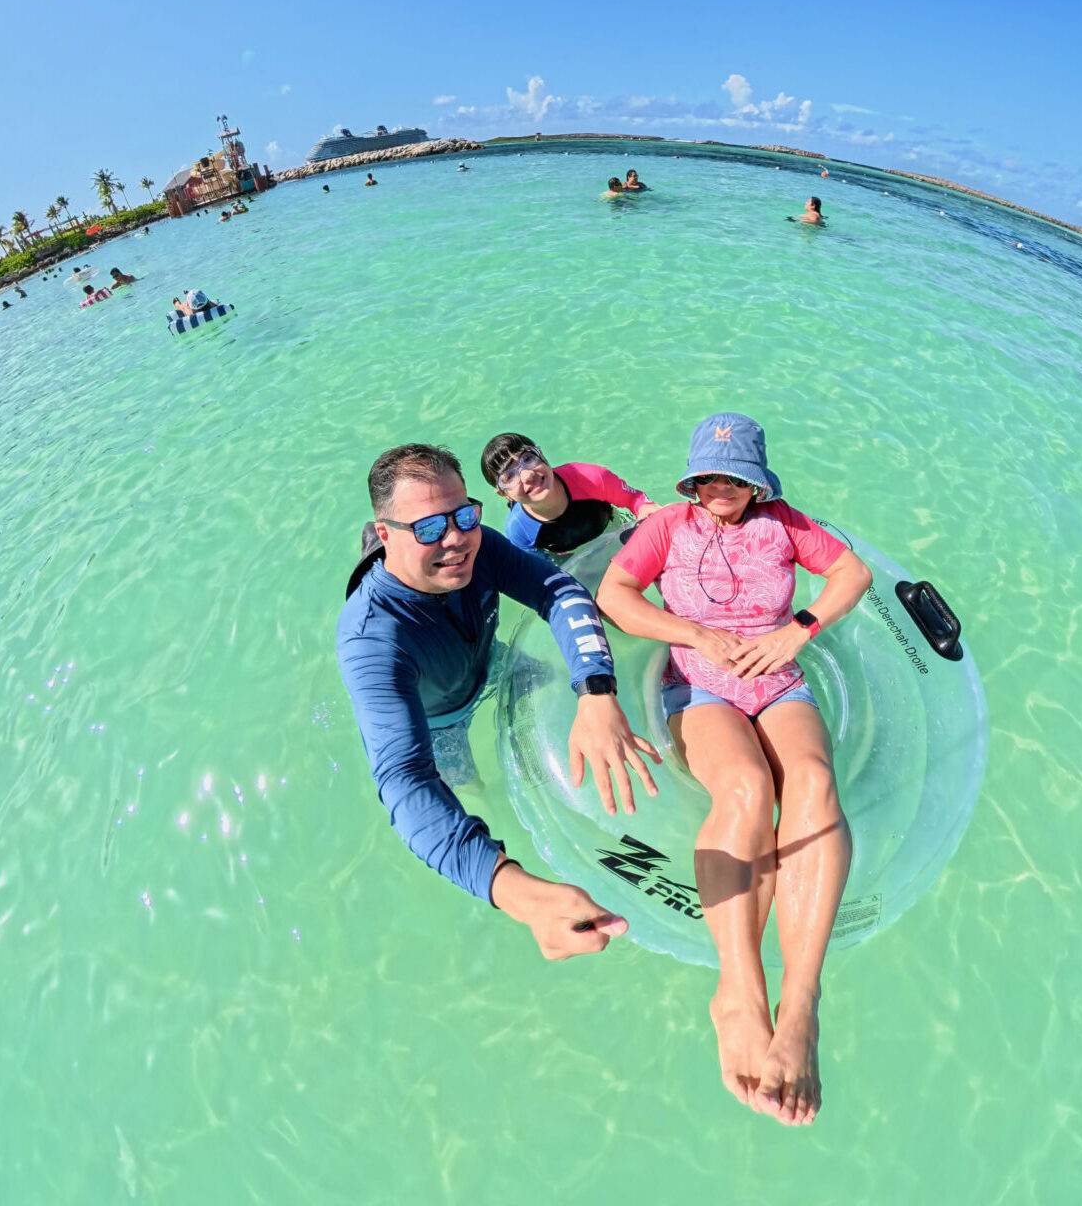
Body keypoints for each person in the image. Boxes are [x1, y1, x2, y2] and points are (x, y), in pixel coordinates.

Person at [594, 414, 873, 1127]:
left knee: (810, 782)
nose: (721, 488)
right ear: (690, 480)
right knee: (747, 788)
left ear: (757, 482)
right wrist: (691, 633)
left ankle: (801, 1005)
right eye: (708, 476)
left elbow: (852, 572)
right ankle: (740, 992)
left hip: (778, 681)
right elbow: (615, 598)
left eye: (736, 477)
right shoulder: (667, 528)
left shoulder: (784, 523)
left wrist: (798, 631)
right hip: (699, 684)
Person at [336, 443, 660, 960]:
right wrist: (518, 892)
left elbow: (556, 588)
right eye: (426, 528)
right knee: (466, 782)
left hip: (492, 660)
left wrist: (596, 691)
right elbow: (404, 779)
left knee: (560, 683)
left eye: (463, 514)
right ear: (384, 536)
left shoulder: (479, 544)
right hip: (441, 721)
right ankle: (485, 793)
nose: (456, 540)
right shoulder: (372, 642)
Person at [481, 433, 653, 555]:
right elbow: (538, 573)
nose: (528, 475)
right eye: (509, 476)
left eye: (527, 458)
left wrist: (646, 510)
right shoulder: (519, 530)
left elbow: (635, 500)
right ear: (505, 494)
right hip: (571, 561)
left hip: (614, 531)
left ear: (542, 455)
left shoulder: (588, 477)